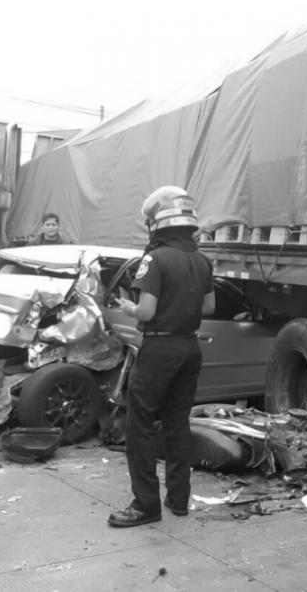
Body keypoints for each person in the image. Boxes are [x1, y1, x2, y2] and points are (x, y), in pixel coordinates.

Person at [108, 186, 215, 528]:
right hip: (189, 349)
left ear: (158, 223)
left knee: (139, 427)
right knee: (177, 424)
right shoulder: (202, 260)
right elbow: (209, 307)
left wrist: (129, 307)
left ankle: (145, 505)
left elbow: (147, 311)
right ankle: (178, 500)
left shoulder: (155, 259)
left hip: (159, 350)